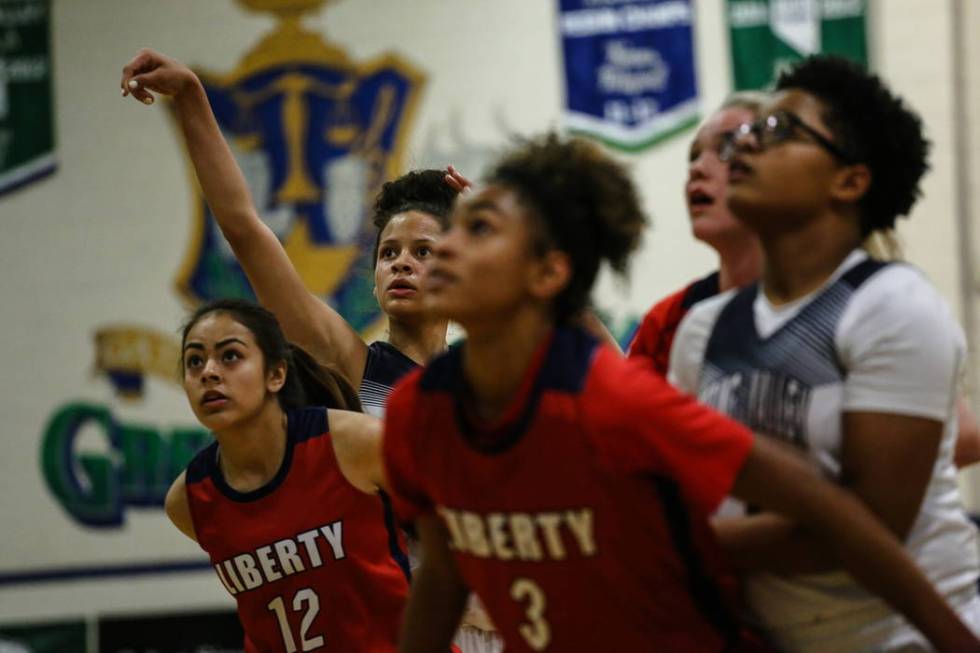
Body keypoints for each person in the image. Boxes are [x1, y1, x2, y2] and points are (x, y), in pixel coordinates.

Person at [381, 133, 980, 652]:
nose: (448, 246)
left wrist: (952, 637)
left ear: (548, 273)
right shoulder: (416, 412)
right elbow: (443, 572)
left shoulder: (613, 402)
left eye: (478, 229)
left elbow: (828, 507)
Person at [122, 48, 501, 653]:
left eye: (424, 251)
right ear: (373, 277)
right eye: (388, 252)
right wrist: (194, 98)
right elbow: (246, 230)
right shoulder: (356, 367)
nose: (402, 260)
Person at [669, 56, 980, 651]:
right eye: (750, 132)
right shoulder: (700, 329)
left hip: (906, 637)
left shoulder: (894, 305)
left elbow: (870, 529)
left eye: (780, 131)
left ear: (850, 181)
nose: (747, 146)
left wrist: (675, 540)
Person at [630, 93, 980, 468]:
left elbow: (963, 436)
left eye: (729, 145)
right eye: (693, 155)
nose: (699, 167)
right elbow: (631, 440)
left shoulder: (880, 301)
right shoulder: (682, 321)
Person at [165, 299, 409, 653]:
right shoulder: (188, 500)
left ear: (275, 374)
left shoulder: (352, 442)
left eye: (230, 356)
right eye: (194, 361)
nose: (209, 372)